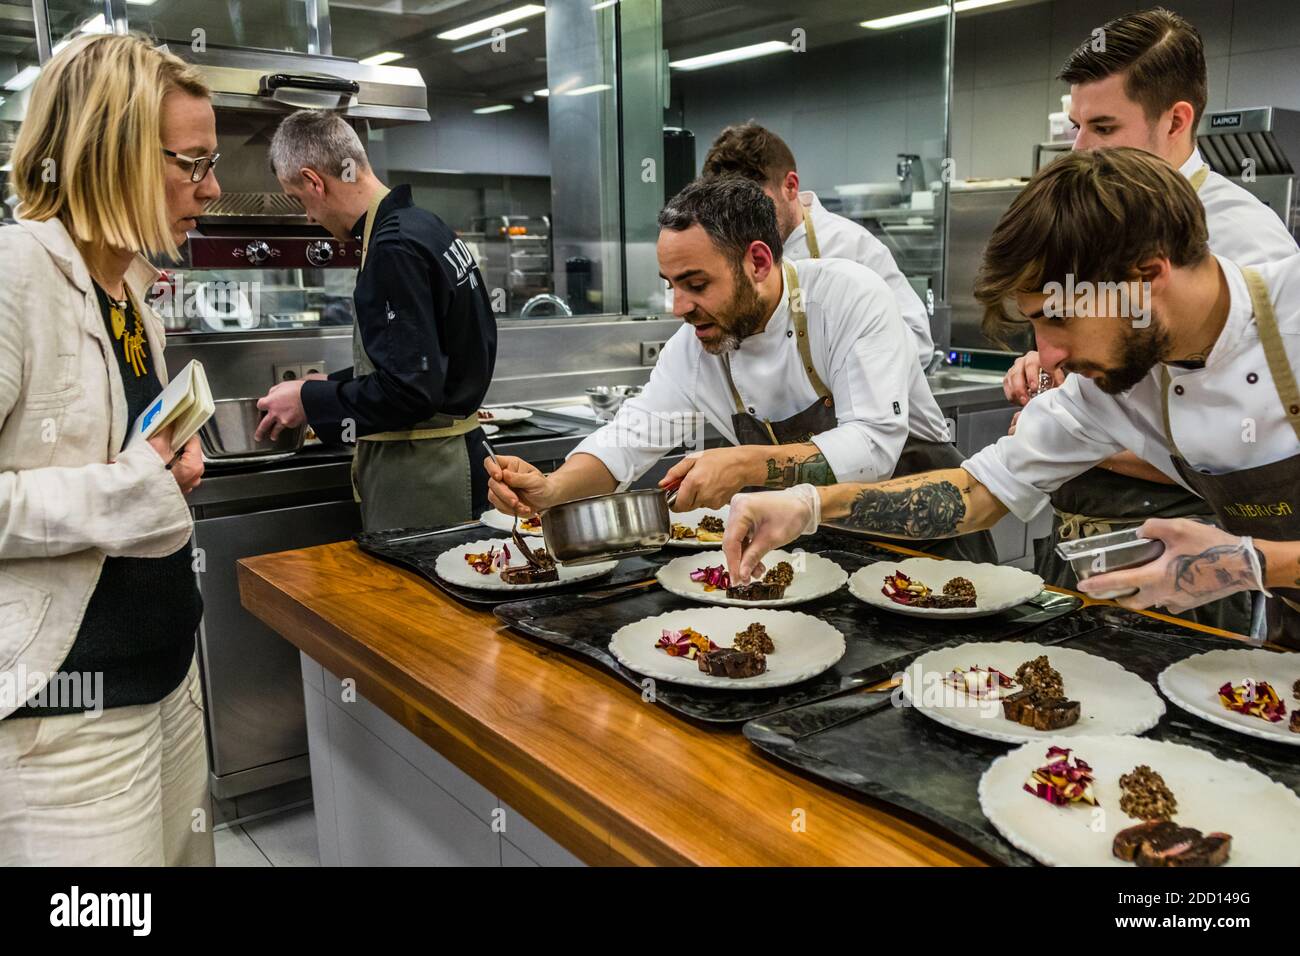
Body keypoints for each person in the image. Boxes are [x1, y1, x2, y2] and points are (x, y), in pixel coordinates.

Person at [723, 147, 1300, 648]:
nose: (1046, 357)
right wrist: (809, 505)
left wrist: (1253, 562)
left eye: (1057, 319)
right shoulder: (1114, 385)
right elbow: (975, 492)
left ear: (1146, 279)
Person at [487, 177, 994, 562]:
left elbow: (874, 449)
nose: (677, 306)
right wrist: (552, 490)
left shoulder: (846, 297)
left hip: (931, 543)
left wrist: (746, 466)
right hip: (819, 552)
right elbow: (628, 438)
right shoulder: (698, 345)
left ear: (756, 261)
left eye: (695, 283)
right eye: (670, 284)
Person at [1001, 8, 1298, 631]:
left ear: (1177, 120)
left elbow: (1220, 436)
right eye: (1076, 126)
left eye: (1104, 126)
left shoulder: (1248, 247)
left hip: (1198, 542)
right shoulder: (1104, 237)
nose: (1078, 149)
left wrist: (1246, 562)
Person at [0, 34, 217, 864]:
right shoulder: (16, 276)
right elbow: (122, 490)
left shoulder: (129, 295)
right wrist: (132, 489)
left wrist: (160, 473)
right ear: (114, 153)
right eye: (192, 164)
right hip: (64, 715)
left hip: (163, 680)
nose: (212, 187)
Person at [256, 110, 497, 531]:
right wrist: (320, 387)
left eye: (300, 200)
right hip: (454, 456)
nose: (309, 217)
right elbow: (417, 360)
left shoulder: (392, 247)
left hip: (426, 477)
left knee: (421, 597)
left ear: (314, 181)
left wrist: (309, 402)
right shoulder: (425, 226)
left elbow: (408, 391)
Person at [701, 121, 935, 366]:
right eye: (730, 211)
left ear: (790, 186)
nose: (743, 223)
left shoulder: (852, 246)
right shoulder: (727, 253)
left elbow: (917, 343)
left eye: (753, 206)